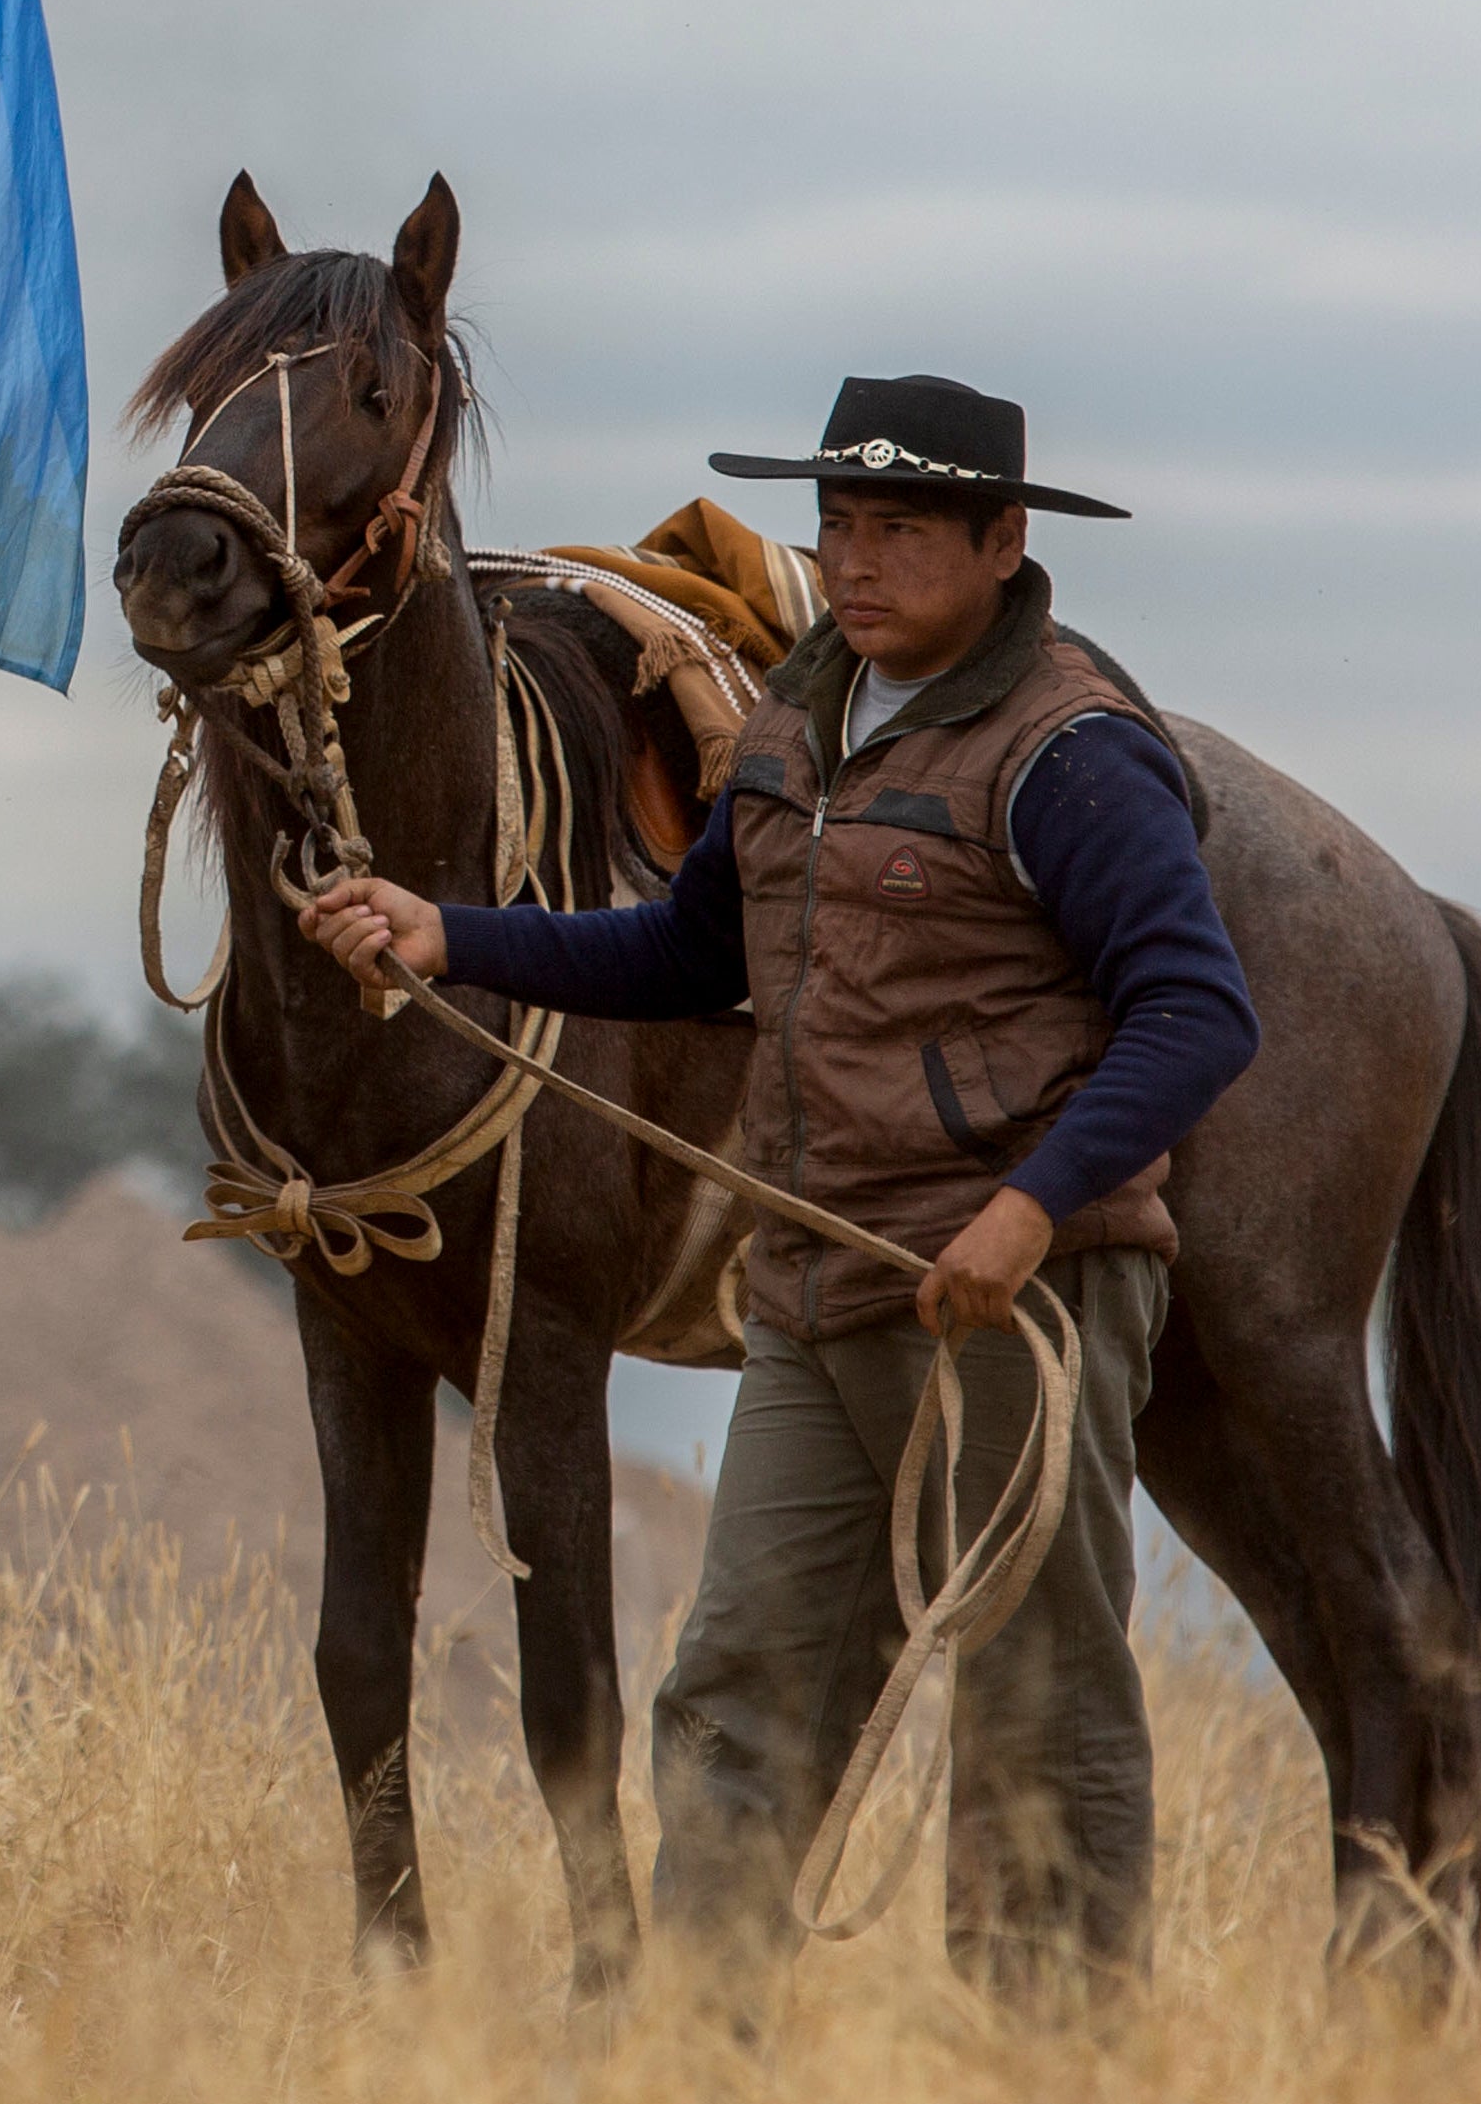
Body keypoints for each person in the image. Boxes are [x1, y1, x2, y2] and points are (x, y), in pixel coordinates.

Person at [298, 371, 1256, 1993]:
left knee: (1036, 1708)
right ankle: (693, 2048)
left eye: (898, 528)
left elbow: (1196, 1009)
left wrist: (1026, 1210)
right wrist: (448, 934)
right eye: (838, 523)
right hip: (812, 1293)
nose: (854, 558)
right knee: (732, 1686)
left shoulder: (1071, 749)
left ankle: (1057, 2054)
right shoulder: (800, 723)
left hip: (1015, 1300)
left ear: (1003, 542)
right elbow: (686, 948)